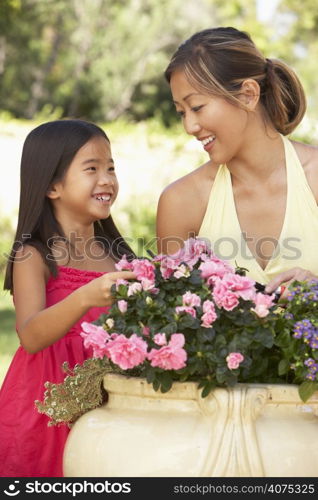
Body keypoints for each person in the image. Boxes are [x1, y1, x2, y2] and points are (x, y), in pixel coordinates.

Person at [0, 119, 136, 477]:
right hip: (46, 408)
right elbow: (31, 335)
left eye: (111, 168)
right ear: (52, 186)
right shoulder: (33, 254)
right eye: (91, 169)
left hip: (109, 406)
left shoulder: (118, 256)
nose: (106, 179)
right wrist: (85, 297)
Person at [156, 26, 318, 294]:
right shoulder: (182, 203)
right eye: (181, 113)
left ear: (248, 94)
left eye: (196, 107)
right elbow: (170, 320)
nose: (190, 126)